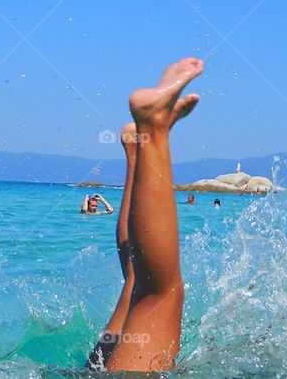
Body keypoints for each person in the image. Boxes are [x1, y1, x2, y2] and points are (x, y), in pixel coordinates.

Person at [87, 57, 203, 372]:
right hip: (93, 368)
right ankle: (141, 146)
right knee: (135, 279)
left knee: (159, 294)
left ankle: (151, 133)